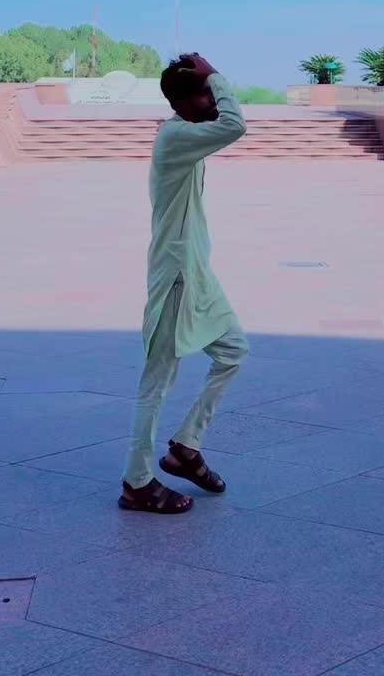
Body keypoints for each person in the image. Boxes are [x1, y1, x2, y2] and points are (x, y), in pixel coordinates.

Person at [120, 53, 249, 515]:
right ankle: (137, 482)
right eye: (206, 95)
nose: (214, 101)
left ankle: (186, 447)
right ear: (182, 102)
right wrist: (217, 75)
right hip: (176, 276)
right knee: (157, 382)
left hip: (196, 274)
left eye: (213, 93)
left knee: (233, 351)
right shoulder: (174, 137)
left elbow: (225, 123)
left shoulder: (186, 135)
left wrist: (210, 82)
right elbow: (236, 125)